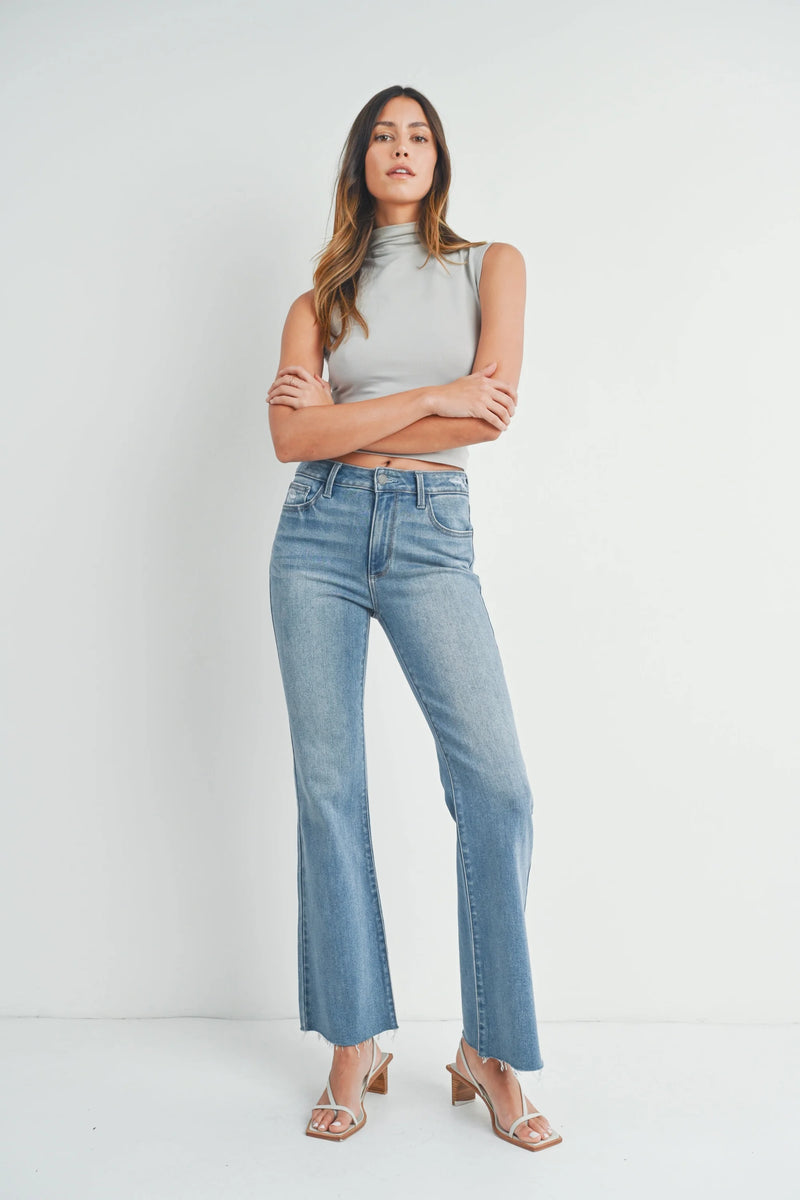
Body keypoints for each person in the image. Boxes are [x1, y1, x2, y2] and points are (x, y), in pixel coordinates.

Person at [265, 85, 562, 1152]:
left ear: (439, 157)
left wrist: (349, 413)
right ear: (359, 161)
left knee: (496, 784)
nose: (400, 148)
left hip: (432, 531)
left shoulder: (491, 266)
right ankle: (354, 1043)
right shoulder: (319, 299)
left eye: (417, 134)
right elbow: (292, 446)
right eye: (382, 136)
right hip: (316, 538)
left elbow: (489, 402)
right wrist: (420, 401)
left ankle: (488, 1050)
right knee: (329, 789)